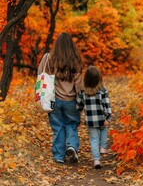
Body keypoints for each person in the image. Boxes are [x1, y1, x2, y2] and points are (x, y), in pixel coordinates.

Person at [37, 32, 83, 163]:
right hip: (71, 101)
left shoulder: (49, 58)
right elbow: (79, 84)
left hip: (54, 100)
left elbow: (41, 74)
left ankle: (58, 156)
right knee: (71, 125)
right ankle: (72, 146)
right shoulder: (76, 60)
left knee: (58, 127)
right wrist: (81, 100)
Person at [76, 65, 111, 169]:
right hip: (102, 119)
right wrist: (108, 118)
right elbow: (107, 105)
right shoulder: (103, 90)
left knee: (94, 139)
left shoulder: (82, 92)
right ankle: (103, 147)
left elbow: (78, 106)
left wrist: (79, 108)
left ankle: (96, 160)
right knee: (104, 130)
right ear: (99, 78)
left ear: (86, 79)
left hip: (90, 120)